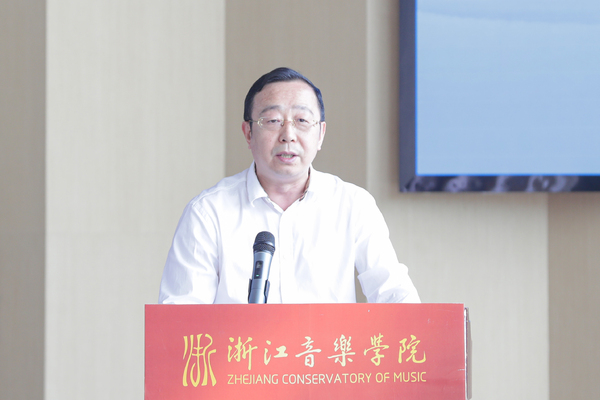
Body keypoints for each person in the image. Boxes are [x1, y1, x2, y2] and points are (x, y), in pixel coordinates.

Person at [158, 67, 420, 304]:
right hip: (238, 345)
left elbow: (394, 293)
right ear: (248, 133)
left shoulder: (352, 204)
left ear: (320, 134)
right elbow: (180, 317)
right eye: (272, 121)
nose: (288, 135)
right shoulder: (208, 212)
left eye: (302, 121)